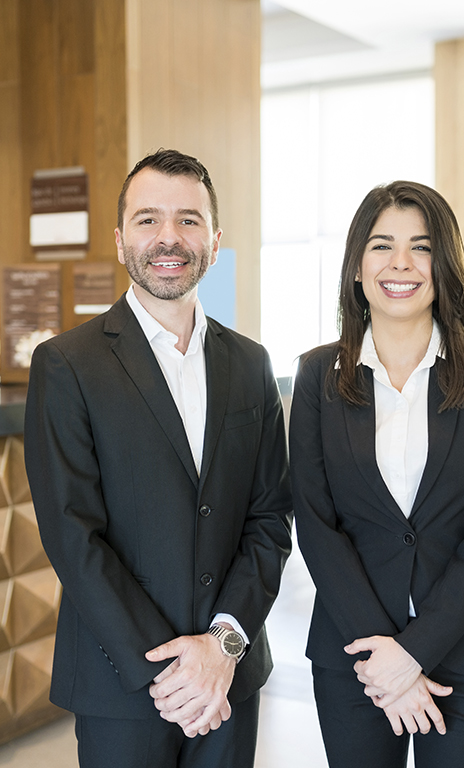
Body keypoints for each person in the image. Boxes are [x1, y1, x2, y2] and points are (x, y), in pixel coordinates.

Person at [24, 149, 292, 768]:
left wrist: (222, 647)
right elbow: (72, 536)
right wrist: (173, 668)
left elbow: (270, 521)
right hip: (121, 680)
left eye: (188, 220)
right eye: (148, 220)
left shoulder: (252, 366)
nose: (168, 237)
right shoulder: (68, 365)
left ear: (215, 240)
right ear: (120, 241)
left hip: (229, 678)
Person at [289, 180, 464, 768]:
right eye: (381, 246)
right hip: (353, 654)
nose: (401, 264)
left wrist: (415, 652)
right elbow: (317, 527)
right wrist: (386, 660)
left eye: (421, 247)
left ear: (442, 266)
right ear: (356, 266)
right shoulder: (317, 375)